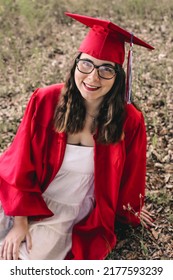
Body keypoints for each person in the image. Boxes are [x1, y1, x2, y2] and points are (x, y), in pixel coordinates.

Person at [0, 12, 155, 260]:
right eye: (86, 64)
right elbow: (20, 161)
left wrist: (131, 210)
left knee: (20, 262)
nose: (93, 77)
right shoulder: (46, 100)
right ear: (76, 64)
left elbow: (131, 173)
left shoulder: (130, 120)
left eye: (106, 69)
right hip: (22, 193)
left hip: (65, 210)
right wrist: (20, 222)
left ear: (118, 77)